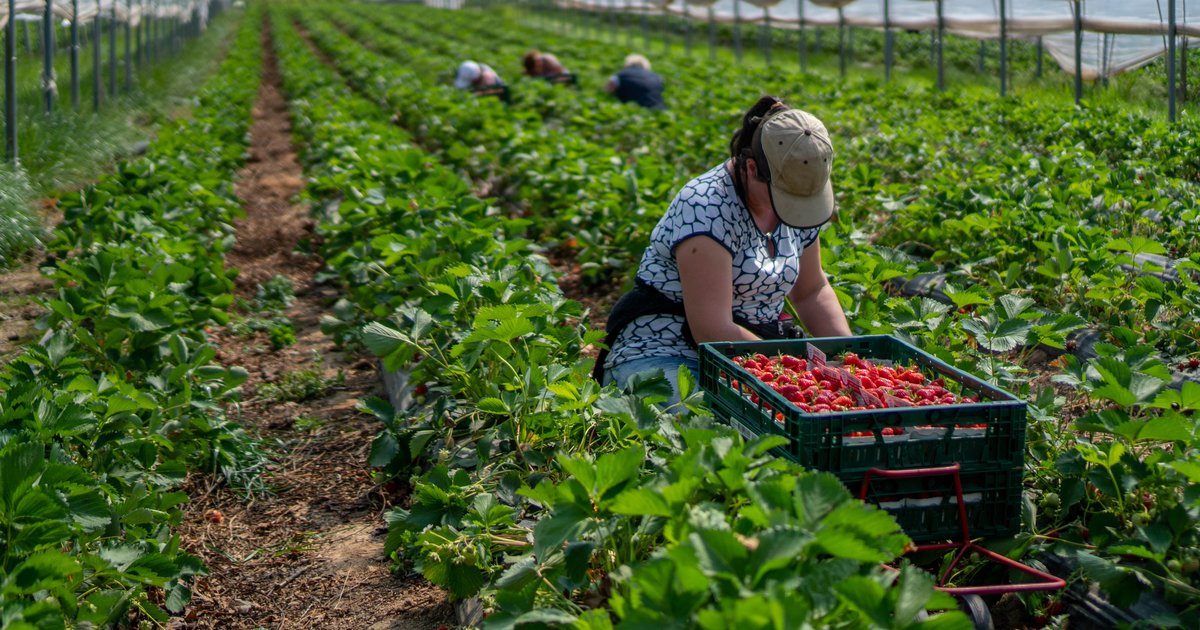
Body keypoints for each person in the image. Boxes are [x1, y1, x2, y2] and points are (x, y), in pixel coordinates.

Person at [594, 96, 851, 404]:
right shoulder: (706, 208)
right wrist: (784, 380)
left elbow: (811, 291)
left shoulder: (799, 190)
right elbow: (712, 329)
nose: (794, 211)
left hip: (755, 354)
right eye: (786, 197)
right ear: (752, 168)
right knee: (710, 421)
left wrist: (850, 359)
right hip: (669, 353)